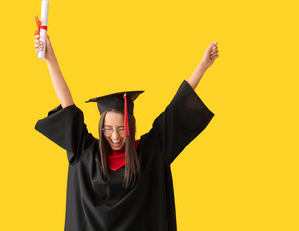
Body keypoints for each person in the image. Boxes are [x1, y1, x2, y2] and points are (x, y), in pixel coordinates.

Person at [33, 33, 219, 231]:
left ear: (131, 126)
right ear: (101, 127)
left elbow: (176, 109)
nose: (115, 136)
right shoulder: (85, 153)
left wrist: (203, 66)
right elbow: (68, 105)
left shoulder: (151, 153)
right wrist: (50, 59)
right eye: (108, 129)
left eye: (122, 129)